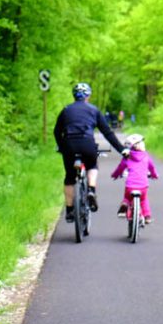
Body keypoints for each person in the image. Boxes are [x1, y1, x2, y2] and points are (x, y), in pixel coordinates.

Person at [53, 82, 126, 222]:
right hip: (87, 144)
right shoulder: (94, 110)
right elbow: (107, 133)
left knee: (69, 177)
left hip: (69, 145)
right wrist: (121, 150)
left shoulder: (66, 110)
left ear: (74, 96)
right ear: (88, 96)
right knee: (92, 166)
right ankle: (91, 190)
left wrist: (61, 147)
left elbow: (57, 132)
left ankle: (69, 211)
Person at [111, 133, 159, 223]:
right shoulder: (146, 157)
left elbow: (120, 168)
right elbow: (152, 168)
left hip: (130, 186)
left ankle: (125, 203)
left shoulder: (127, 157)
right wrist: (154, 175)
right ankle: (147, 216)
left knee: (127, 197)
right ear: (140, 145)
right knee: (144, 200)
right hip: (143, 186)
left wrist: (115, 174)